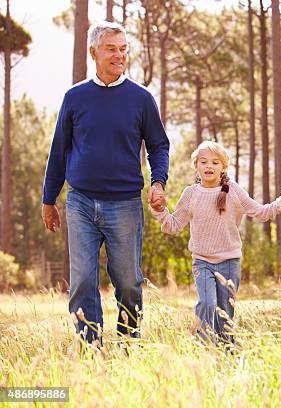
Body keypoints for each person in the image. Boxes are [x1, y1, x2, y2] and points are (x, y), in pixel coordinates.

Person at [41, 21, 170, 343]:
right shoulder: (75, 97)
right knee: (83, 280)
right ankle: (91, 345)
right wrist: (48, 200)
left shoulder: (140, 99)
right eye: (111, 49)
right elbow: (59, 151)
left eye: (123, 48)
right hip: (80, 201)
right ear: (93, 52)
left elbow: (158, 145)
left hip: (125, 203)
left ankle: (128, 341)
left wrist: (158, 182)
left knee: (128, 281)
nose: (119, 55)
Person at [150, 141, 281, 344]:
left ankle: (226, 351)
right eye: (204, 162)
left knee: (225, 312)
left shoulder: (233, 191)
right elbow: (173, 225)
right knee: (207, 303)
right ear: (196, 166)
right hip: (202, 261)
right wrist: (159, 210)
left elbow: (260, 212)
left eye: (215, 162)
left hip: (229, 262)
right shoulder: (191, 194)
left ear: (223, 167)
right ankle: (205, 344)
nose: (209, 166)